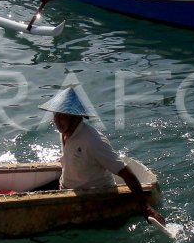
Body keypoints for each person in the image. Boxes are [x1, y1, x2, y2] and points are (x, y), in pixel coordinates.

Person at [39, 85, 166, 225]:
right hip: (66, 190)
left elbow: (125, 172)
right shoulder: (64, 133)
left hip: (92, 196)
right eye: (55, 115)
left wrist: (145, 207)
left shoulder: (93, 141)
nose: (57, 120)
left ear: (75, 117)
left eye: (62, 115)